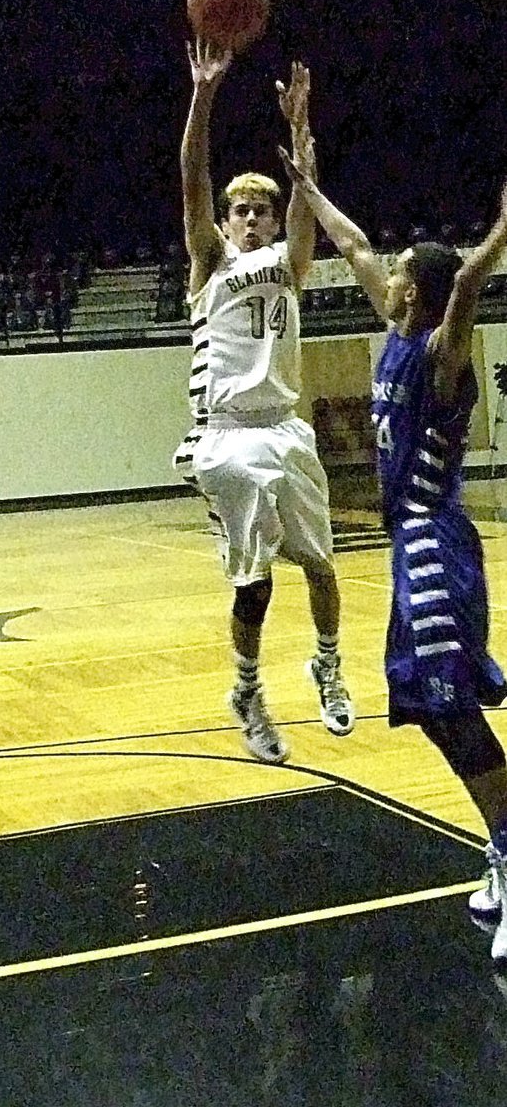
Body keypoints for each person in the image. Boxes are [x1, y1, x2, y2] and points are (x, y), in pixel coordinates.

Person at [279, 144, 507, 963]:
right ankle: (503, 846)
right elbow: (350, 246)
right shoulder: (396, 326)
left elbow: (471, 281)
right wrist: (305, 183)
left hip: (436, 546)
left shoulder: (444, 355)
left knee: (450, 707)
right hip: (407, 548)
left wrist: (497, 234)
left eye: (399, 267)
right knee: (430, 712)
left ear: (417, 290)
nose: (385, 267)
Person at [173, 40, 355, 765]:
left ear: (274, 224)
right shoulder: (209, 264)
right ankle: (247, 690)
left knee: (321, 568)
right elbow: (192, 177)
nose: (249, 220)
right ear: (223, 224)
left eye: (260, 212)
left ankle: (328, 665)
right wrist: (204, 94)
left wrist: (301, 134)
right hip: (227, 439)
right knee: (255, 588)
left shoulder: (288, 262)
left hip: (285, 429)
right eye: (238, 212)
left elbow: (308, 204)